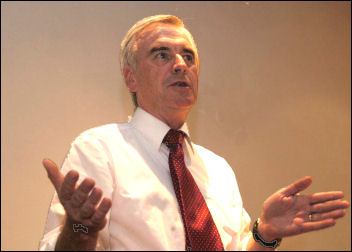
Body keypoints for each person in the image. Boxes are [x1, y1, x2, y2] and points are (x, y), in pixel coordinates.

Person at [39, 14, 349, 251]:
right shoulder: (99, 149)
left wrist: (264, 233)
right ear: (130, 78)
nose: (180, 65)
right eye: (161, 54)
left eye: (188, 57)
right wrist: (80, 228)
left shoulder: (218, 168)